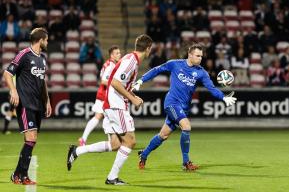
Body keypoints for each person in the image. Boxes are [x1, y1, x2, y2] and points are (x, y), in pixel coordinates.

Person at [132, 43, 237, 171]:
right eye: (197, 56)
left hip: (183, 107)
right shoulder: (175, 64)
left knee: (163, 135)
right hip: (171, 103)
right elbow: (156, 70)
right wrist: (141, 81)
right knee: (186, 126)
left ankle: (144, 154)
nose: (200, 58)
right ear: (190, 55)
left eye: (201, 56)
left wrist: (224, 97)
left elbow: (212, 88)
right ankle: (186, 162)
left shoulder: (201, 72)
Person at [67, 34, 153, 185]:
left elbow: (120, 84)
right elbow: (114, 82)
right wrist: (133, 99)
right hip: (116, 105)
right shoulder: (131, 61)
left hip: (111, 104)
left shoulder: (130, 60)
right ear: (148, 48)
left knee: (115, 144)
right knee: (130, 141)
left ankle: (77, 151)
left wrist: (132, 96)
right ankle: (112, 177)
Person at [3, 27, 51, 185]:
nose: (48, 42)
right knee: (31, 138)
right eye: (46, 39)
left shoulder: (42, 58)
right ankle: (23, 176)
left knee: (31, 140)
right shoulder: (24, 54)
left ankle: (17, 174)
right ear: (40, 40)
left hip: (38, 104)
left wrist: (47, 101)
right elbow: (7, 73)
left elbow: (42, 81)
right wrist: (13, 91)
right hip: (25, 103)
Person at [78, 45, 121, 146]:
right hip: (104, 94)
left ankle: (84, 139)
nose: (119, 55)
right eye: (117, 53)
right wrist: (116, 84)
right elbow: (103, 81)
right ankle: (84, 139)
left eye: (119, 53)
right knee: (103, 117)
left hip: (105, 94)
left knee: (103, 117)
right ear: (111, 55)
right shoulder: (110, 65)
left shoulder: (110, 64)